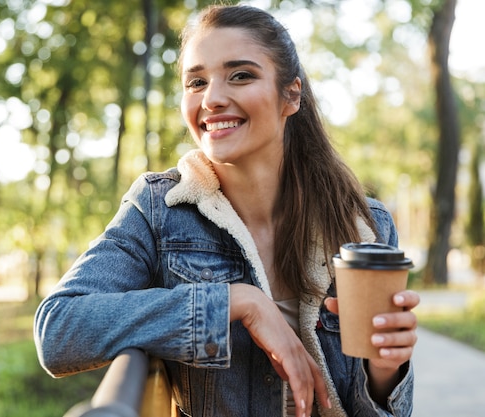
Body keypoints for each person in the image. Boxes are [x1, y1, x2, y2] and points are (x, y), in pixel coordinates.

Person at [34, 4, 419, 417]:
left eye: (240, 75)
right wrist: (238, 302)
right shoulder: (159, 210)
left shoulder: (366, 225)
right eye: (196, 81)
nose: (212, 99)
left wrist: (386, 370)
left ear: (291, 94)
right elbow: (59, 329)